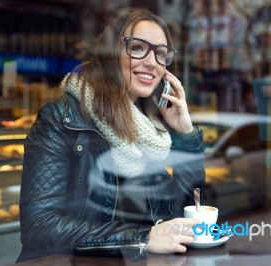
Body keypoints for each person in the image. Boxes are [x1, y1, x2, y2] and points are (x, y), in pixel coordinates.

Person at [17, 7, 205, 262]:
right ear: (111, 53)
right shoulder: (62, 118)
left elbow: (183, 214)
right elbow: (39, 228)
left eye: (161, 54)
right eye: (138, 48)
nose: (152, 62)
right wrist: (141, 238)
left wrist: (185, 134)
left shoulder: (151, 129)